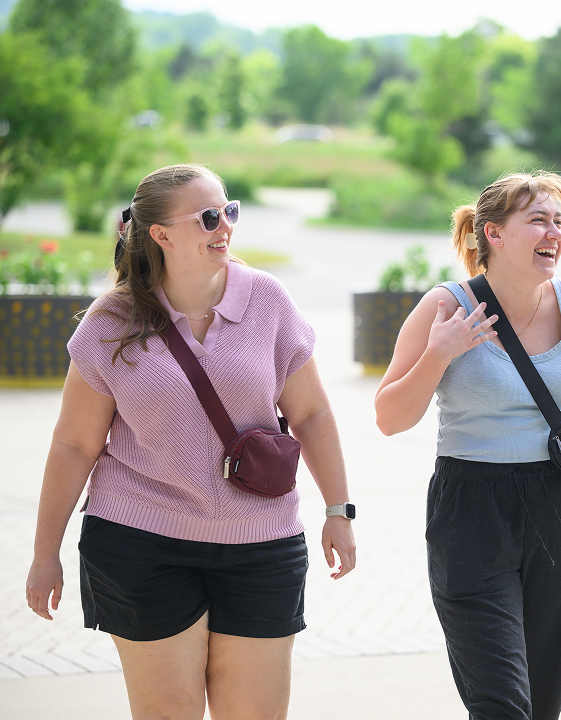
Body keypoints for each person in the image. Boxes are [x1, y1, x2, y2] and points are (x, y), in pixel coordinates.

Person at [25, 164, 356, 719]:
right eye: (208, 216)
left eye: (230, 211)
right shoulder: (113, 320)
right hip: (141, 543)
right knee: (167, 713)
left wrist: (339, 510)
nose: (224, 225)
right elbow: (74, 447)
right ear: (161, 234)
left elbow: (314, 413)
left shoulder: (267, 301)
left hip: (261, 544)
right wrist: (43, 554)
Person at [374, 171, 561, 720]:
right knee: (501, 704)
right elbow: (388, 417)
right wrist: (440, 353)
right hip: (471, 507)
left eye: (558, 221)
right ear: (494, 234)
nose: (554, 232)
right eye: (537, 220)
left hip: (559, 508)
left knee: (542, 703)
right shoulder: (445, 308)